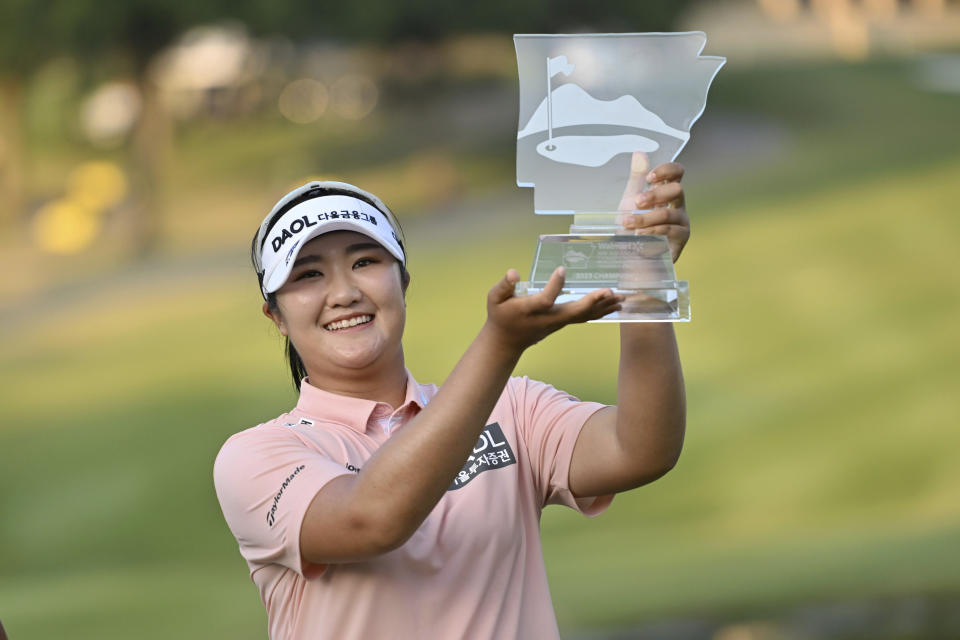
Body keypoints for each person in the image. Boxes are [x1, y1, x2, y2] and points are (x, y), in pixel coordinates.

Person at [214, 159, 690, 640]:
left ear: (403, 281)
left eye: (364, 262)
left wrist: (645, 282)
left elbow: (641, 449)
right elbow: (371, 521)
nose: (343, 293)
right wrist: (499, 345)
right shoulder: (255, 457)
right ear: (275, 315)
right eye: (308, 275)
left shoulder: (512, 409)